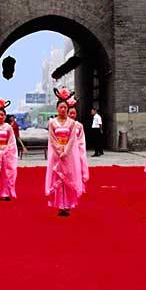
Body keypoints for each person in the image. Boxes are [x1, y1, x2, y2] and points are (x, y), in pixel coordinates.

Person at [45, 88, 84, 217]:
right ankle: (59, 205)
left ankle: (67, 205)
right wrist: (58, 150)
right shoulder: (52, 123)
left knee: (68, 178)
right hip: (56, 155)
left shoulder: (72, 123)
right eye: (61, 107)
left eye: (65, 108)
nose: (63, 110)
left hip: (68, 155)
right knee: (58, 178)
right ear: (57, 108)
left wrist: (65, 151)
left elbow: (72, 139)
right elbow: (52, 138)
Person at [68, 99, 90, 193]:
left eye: (74, 113)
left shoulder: (79, 126)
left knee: (76, 170)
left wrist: (81, 154)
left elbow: (81, 141)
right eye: (70, 113)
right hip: (65, 152)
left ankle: (77, 187)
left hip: (76, 152)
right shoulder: (61, 125)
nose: (72, 115)